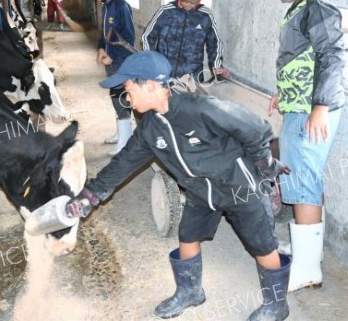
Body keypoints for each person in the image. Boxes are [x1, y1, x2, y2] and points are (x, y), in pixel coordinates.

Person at [66, 50, 292, 320]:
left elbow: (257, 129)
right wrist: (90, 196)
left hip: (237, 186)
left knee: (262, 245)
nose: (125, 97)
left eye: (127, 88)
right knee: (187, 237)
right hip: (199, 191)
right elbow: (123, 163)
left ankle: (277, 304)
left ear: (150, 85)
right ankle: (190, 292)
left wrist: (264, 165)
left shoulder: (200, 108)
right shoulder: (150, 127)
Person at [251, 0, 347, 293]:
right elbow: (303, 60)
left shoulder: (319, 9)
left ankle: (307, 269)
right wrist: (285, 91)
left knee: (304, 184)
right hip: (300, 106)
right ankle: (306, 252)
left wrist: (320, 107)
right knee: (299, 180)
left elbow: (333, 58)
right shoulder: (301, 6)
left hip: (312, 112)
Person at [83, 0, 136, 156]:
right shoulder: (106, 6)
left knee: (121, 98)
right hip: (110, 61)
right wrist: (100, 48)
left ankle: (125, 140)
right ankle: (120, 132)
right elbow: (105, 34)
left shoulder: (122, 6)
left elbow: (129, 38)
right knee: (115, 97)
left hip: (121, 62)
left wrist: (112, 56)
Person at [141, 0, 230, 85]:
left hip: (192, 77)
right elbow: (147, 36)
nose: (188, 4)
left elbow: (215, 43)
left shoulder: (205, 15)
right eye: (186, 0)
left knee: (191, 102)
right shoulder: (165, 11)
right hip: (164, 74)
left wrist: (217, 66)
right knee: (163, 102)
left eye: (193, 2)